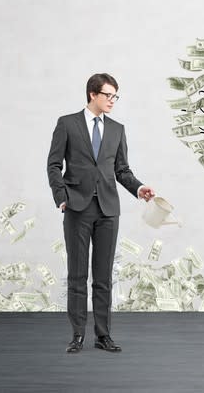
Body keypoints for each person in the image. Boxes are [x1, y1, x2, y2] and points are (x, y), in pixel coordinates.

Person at [47, 73, 155, 353]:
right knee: (77, 275)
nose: (112, 101)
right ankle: (78, 335)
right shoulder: (67, 124)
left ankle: (103, 335)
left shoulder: (117, 129)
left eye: (115, 96)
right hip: (76, 208)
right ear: (92, 94)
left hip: (108, 209)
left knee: (104, 276)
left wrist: (139, 188)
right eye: (108, 95)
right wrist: (61, 197)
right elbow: (54, 165)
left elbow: (122, 170)